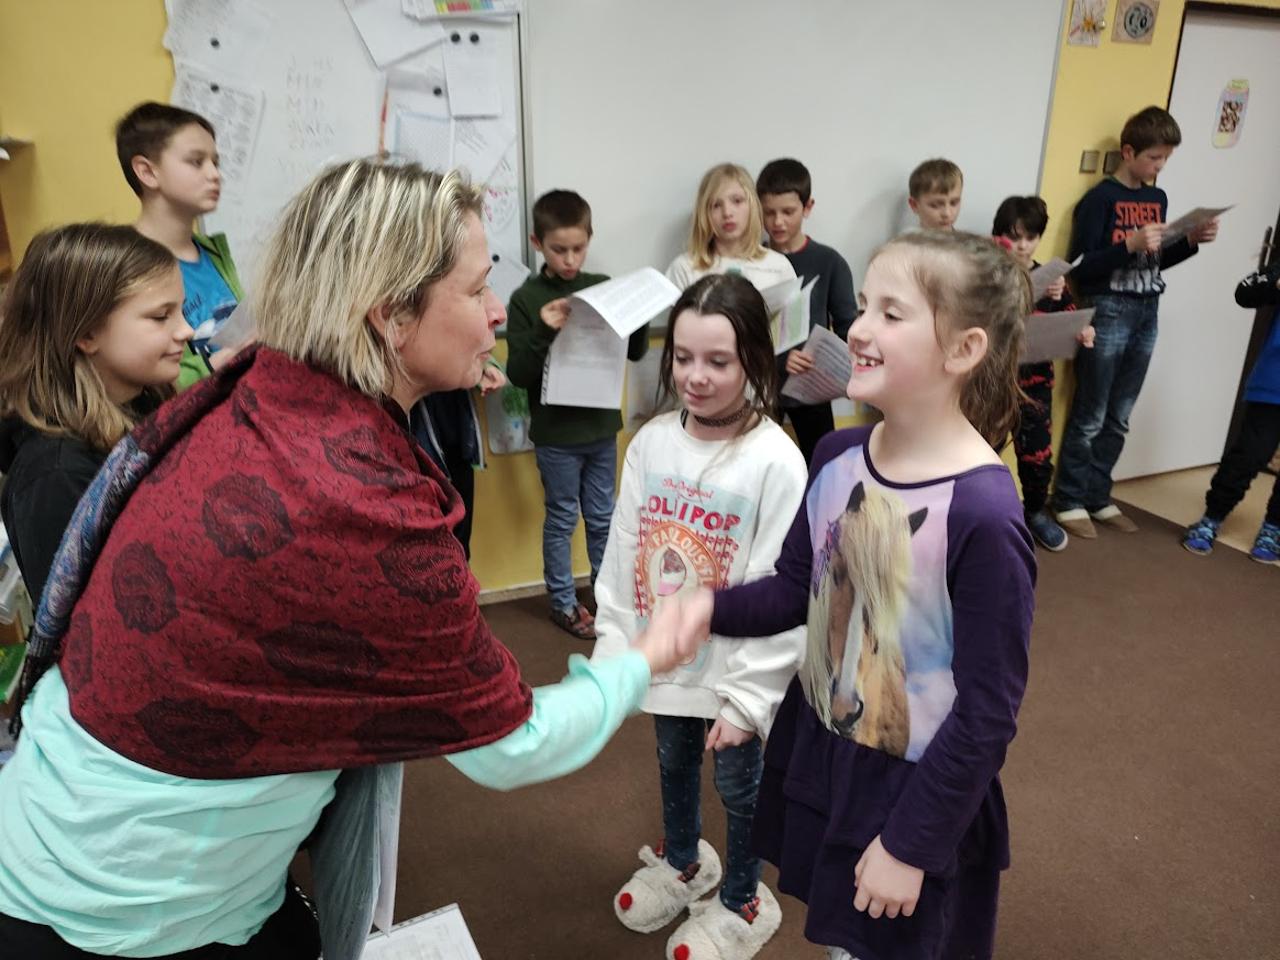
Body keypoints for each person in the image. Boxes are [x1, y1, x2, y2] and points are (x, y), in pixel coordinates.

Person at [0, 159, 699, 960]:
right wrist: (641, 659)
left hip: (69, 834)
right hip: (119, 911)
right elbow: (515, 746)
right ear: (391, 315)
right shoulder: (358, 501)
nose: (495, 313)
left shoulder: (262, 386)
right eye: (476, 290)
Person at [676, 231, 1037, 960]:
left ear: (963, 349)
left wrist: (910, 844)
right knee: (847, 933)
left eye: (891, 314)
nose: (859, 329)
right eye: (863, 306)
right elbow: (796, 591)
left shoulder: (983, 514)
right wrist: (706, 608)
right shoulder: (837, 456)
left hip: (917, 792)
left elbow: (987, 714)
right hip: (833, 752)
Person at [592, 274, 806, 960]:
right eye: (683, 357)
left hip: (736, 671)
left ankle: (743, 894)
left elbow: (784, 594)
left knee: (739, 785)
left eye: (718, 361)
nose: (696, 376)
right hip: (665, 661)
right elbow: (623, 553)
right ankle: (684, 860)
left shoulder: (776, 460)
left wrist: (748, 699)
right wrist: (615, 653)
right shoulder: (652, 443)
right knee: (673, 762)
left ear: (754, 361)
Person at [0, 223, 191, 610]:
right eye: (161, 317)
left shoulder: (146, 408)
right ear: (87, 334)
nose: (185, 330)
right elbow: (88, 622)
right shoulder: (55, 477)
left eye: (181, 311)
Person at [1053, 106, 1219, 538]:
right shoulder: (1100, 200)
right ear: (1128, 152)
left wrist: (1190, 242)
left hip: (1147, 309)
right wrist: (1128, 244)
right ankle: (1068, 499)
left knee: (1120, 414)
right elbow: (1080, 267)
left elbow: (1155, 261)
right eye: (1154, 158)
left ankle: (1098, 495)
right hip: (1107, 308)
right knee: (1092, 411)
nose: (1159, 167)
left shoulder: (1156, 199)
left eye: (1166, 159)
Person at [506, 190, 649, 638]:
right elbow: (518, 373)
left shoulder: (601, 285)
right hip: (556, 437)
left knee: (604, 518)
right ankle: (564, 604)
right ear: (537, 243)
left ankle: (606, 601)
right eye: (558, 249)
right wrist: (542, 330)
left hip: (601, 429)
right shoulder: (526, 298)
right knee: (563, 518)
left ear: (589, 239)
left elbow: (636, 351)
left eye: (578, 248)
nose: (570, 260)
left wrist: (639, 313)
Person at [116, 101, 246, 386]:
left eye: (215, 163)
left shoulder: (212, 252)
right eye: (196, 161)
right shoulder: (127, 266)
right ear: (147, 172)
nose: (215, 174)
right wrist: (221, 362)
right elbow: (143, 385)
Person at [992, 195, 1095, 551]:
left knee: (1037, 457)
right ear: (998, 236)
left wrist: (1084, 332)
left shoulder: (1052, 281)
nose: (1022, 245)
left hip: (1035, 385)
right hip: (991, 385)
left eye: (1030, 237)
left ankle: (1034, 512)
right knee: (980, 452)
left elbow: (1071, 319)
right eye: (1013, 237)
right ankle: (974, 513)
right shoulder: (986, 275)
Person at [757, 158, 857, 464]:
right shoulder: (753, 263)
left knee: (823, 463)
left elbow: (848, 327)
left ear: (807, 207)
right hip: (762, 388)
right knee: (759, 463)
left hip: (812, 389)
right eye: (769, 212)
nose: (778, 222)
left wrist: (832, 364)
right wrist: (780, 360)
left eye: (788, 212)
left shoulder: (829, 262)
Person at [1182, 261, 1280, 564]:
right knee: (1249, 455)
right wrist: (1275, 284)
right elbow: (1244, 293)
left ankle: (1273, 528)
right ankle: (1211, 518)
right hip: (1274, 381)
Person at [666, 163, 796, 292]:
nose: (727, 213)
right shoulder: (684, 269)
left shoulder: (778, 267)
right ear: (704, 213)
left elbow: (795, 306)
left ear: (752, 206)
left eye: (737, 201)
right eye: (716, 205)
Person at [907, 159, 964, 231]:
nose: (947, 213)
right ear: (914, 205)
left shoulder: (969, 239)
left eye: (953, 203)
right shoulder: (904, 238)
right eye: (935, 205)